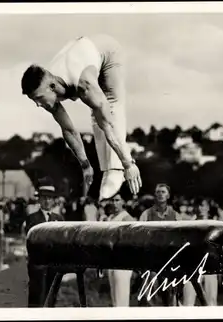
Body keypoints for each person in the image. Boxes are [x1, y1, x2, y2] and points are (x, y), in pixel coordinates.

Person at [21, 34, 142, 201]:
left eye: (39, 98)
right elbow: (69, 130)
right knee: (95, 113)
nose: (38, 104)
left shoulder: (83, 85)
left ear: (52, 86)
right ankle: (108, 168)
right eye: (34, 100)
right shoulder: (48, 91)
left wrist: (128, 163)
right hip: (81, 52)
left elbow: (108, 125)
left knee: (109, 106)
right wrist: (85, 165)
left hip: (108, 51)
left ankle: (116, 170)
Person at [25, 179, 65, 307]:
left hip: (54, 263)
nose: (47, 201)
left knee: (51, 294)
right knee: (37, 296)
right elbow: (32, 240)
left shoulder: (59, 219)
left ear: (54, 201)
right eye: (44, 198)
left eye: (50, 198)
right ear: (39, 200)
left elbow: (62, 240)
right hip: (38, 263)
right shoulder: (32, 218)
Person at [103, 192, 136, 307]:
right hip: (111, 259)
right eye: (112, 200)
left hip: (123, 260)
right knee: (114, 298)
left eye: (117, 200)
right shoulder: (110, 218)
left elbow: (133, 239)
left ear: (123, 202)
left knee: (121, 297)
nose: (114, 203)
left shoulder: (127, 218)